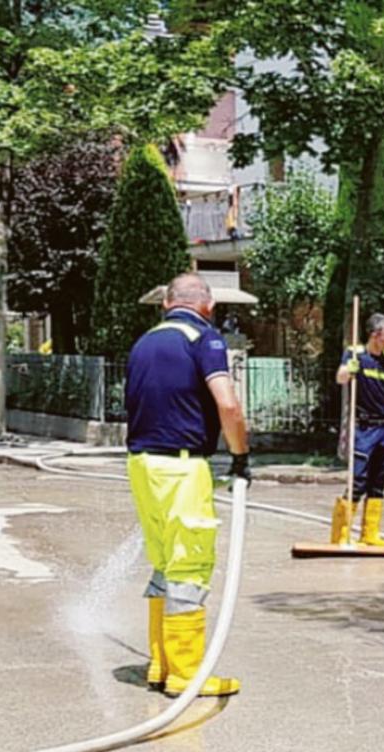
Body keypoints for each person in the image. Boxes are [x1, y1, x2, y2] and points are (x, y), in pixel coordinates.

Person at [125, 272, 251, 697]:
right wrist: (240, 455)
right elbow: (228, 403)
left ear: (165, 304)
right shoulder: (205, 339)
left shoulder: (144, 343)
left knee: (163, 562)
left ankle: (160, 663)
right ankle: (186, 672)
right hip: (182, 466)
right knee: (190, 566)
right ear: (208, 305)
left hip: (142, 465)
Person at [335, 313, 384, 547]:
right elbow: (340, 379)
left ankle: (370, 534)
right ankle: (341, 534)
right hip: (363, 427)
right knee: (357, 479)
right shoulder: (355, 353)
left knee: (379, 481)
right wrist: (350, 370)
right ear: (375, 335)